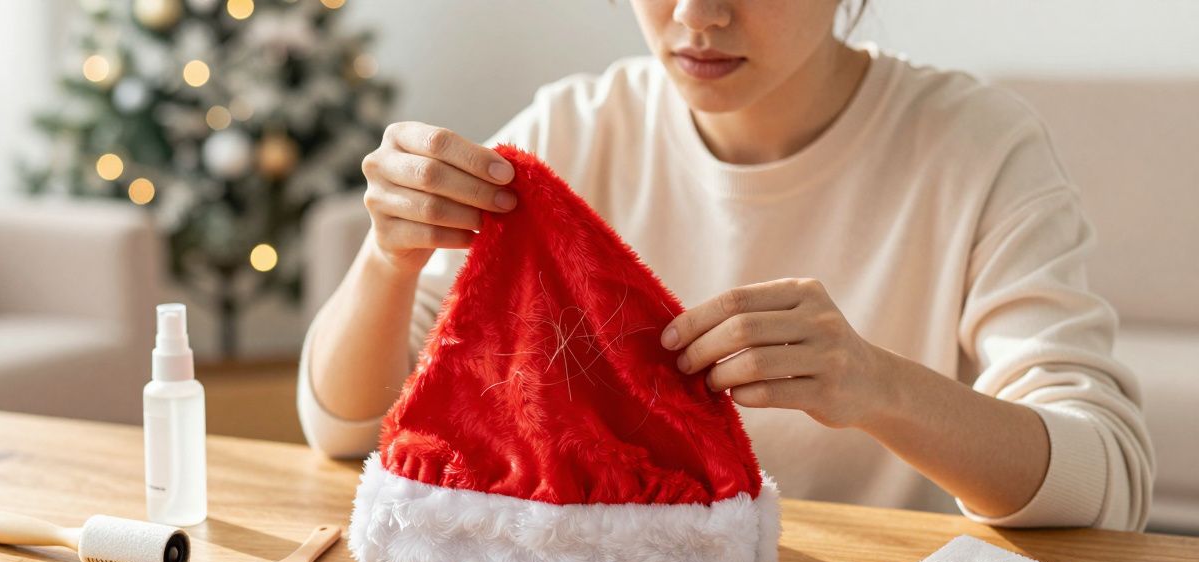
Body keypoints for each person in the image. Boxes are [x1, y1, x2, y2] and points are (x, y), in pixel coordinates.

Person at [297, 0, 1154, 531]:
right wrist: (387, 259)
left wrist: (880, 387)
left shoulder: (978, 150)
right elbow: (343, 427)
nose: (698, 15)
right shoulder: (573, 130)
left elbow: (1107, 482)